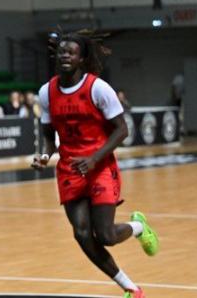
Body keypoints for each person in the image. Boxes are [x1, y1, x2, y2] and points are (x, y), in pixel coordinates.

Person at [31, 32, 159, 298]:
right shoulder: (47, 92)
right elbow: (47, 135)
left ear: (82, 58)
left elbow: (121, 130)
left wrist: (93, 159)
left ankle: (138, 227)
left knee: (106, 235)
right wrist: (44, 156)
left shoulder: (98, 88)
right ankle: (131, 288)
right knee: (81, 234)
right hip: (69, 169)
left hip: (99, 166)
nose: (65, 55)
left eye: (71, 52)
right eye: (62, 51)